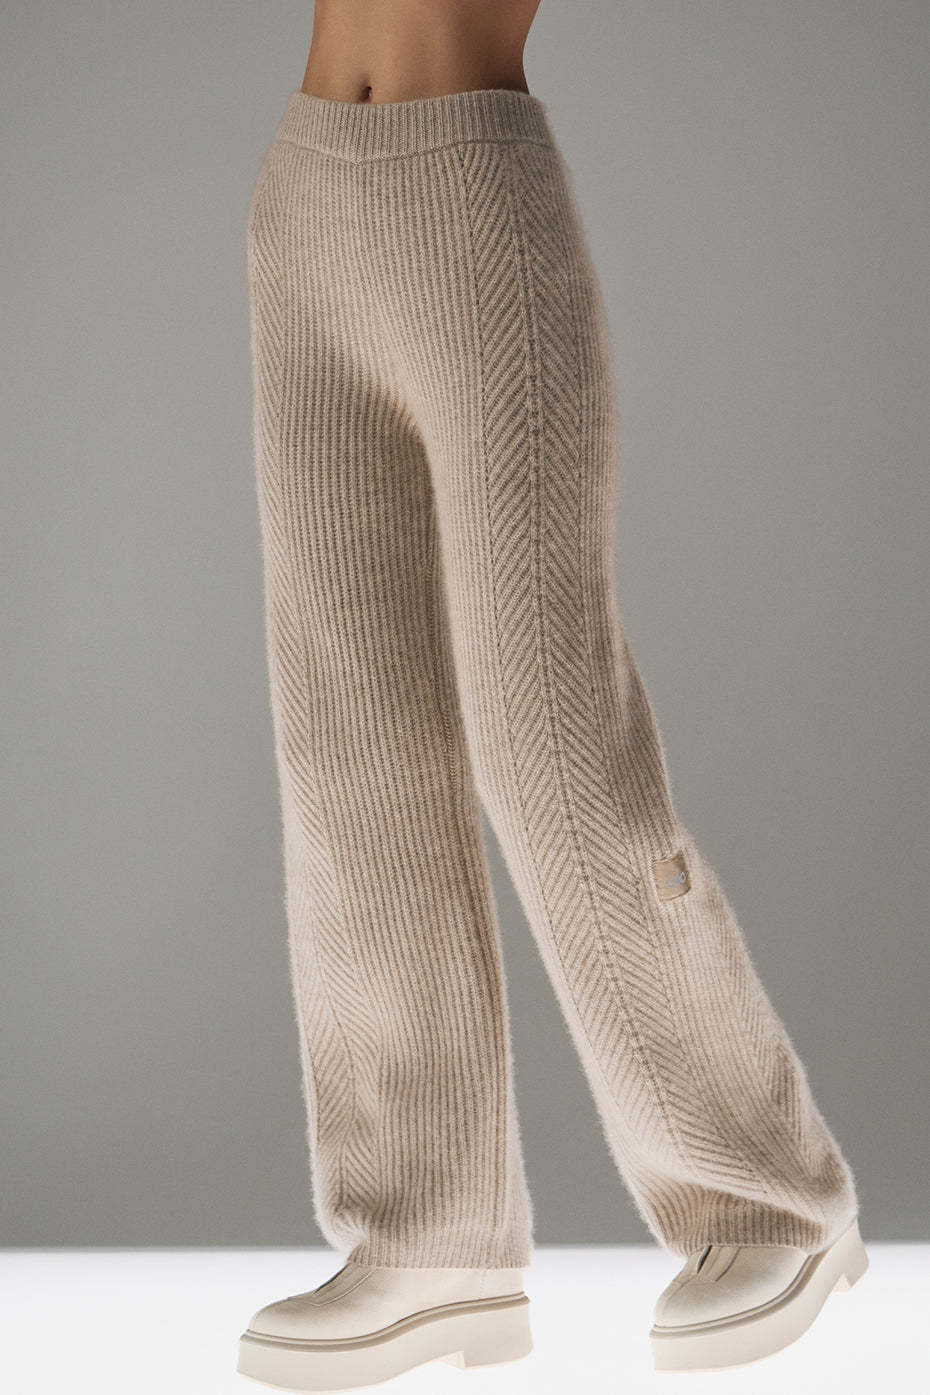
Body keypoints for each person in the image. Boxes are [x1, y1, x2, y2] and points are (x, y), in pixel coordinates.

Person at [238, 2, 866, 1387]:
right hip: (301, 202)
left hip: (474, 203)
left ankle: (769, 1195)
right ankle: (426, 1241)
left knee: (550, 744)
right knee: (349, 756)